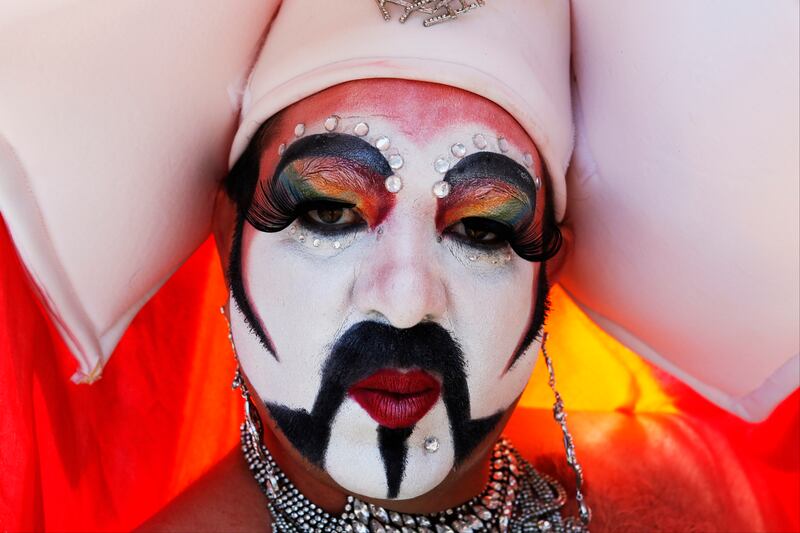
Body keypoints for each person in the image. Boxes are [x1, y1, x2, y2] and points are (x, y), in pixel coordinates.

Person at [0, 1, 797, 532]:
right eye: (329, 211)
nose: (408, 300)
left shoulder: (682, 492)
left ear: (550, 268)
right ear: (226, 228)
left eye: (482, 227)